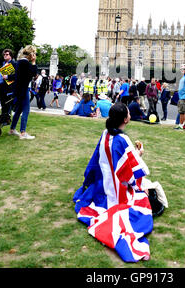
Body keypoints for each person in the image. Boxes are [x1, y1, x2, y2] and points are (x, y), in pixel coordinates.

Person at [73, 102, 153, 262]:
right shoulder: (122, 139)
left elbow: (99, 159)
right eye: (129, 113)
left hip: (103, 185)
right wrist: (139, 183)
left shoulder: (106, 134)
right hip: (118, 191)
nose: (130, 115)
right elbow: (127, 171)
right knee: (143, 201)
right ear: (125, 119)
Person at [9, 45, 37, 140]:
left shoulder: (19, 62)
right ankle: (23, 132)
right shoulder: (26, 63)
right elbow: (33, 73)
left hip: (18, 90)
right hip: (23, 90)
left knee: (18, 110)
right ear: (31, 54)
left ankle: (12, 129)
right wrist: (33, 62)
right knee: (26, 110)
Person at [0, 49, 16, 116]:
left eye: (7, 54)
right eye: (4, 54)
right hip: (1, 86)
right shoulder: (3, 63)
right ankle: (3, 118)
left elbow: (16, 76)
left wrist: (7, 77)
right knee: (3, 103)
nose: (5, 56)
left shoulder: (14, 64)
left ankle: (6, 119)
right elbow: (1, 75)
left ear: (11, 56)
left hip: (8, 87)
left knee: (7, 103)